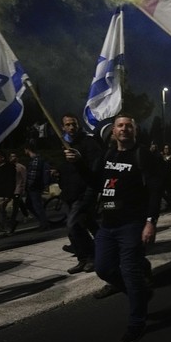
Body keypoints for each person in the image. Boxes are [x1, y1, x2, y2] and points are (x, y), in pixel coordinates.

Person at [70, 114, 161, 342]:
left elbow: (154, 191)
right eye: (120, 126)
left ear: (135, 130)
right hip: (107, 226)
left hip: (132, 225)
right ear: (113, 132)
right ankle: (140, 294)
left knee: (131, 273)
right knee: (104, 269)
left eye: (128, 125)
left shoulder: (143, 155)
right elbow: (94, 182)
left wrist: (151, 222)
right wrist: (79, 163)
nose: (124, 129)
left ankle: (136, 322)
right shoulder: (107, 156)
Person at [58, 113, 101, 274]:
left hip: (83, 191)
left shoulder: (88, 142)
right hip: (68, 192)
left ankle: (93, 257)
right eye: (67, 124)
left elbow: (96, 166)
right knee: (85, 225)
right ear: (63, 127)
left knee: (73, 225)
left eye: (73, 124)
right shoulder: (63, 143)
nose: (71, 127)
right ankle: (82, 259)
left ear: (78, 125)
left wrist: (79, 159)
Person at [24, 142, 50, 231]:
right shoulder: (36, 159)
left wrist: (28, 186)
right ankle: (43, 221)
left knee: (37, 205)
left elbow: (33, 175)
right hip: (35, 186)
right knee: (30, 204)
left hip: (34, 187)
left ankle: (44, 223)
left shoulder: (35, 160)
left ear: (27, 149)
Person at [7, 151, 29, 233]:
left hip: (18, 189)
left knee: (15, 207)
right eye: (10, 156)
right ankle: (26, 214)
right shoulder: (9, 167)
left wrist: (23, 189)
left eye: (13, 156)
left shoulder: (20, 167)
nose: (11, 158)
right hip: (12, 189)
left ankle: (11, 224)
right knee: (19, 203)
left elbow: (24, 178)